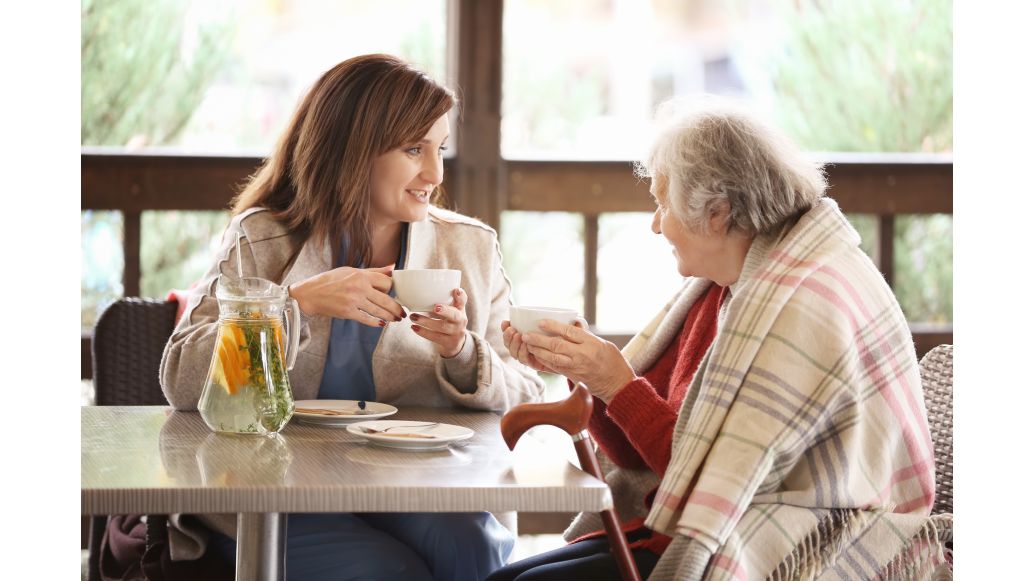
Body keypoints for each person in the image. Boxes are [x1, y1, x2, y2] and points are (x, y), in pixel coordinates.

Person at [490, 99, 947, 580]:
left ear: (717, 213)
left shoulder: (798, 307)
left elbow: (706, 483)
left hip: (788, 540)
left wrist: (616, 382)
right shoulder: (726, 288)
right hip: (701, 523)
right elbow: (642, 460)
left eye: (662, 204)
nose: (655, 223)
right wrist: (586, 372)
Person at [158, 54, 545, 581]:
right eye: (414, 149)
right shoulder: (263, 239)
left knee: (471, 547)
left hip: (414, 482)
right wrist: (292, 306)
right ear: (353, 151)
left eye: (439, 149)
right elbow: (180, 378)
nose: (434, 173)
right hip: (278, 489)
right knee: (385, 570)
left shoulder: (469, 247)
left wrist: (462, 353)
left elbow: (526, 393)